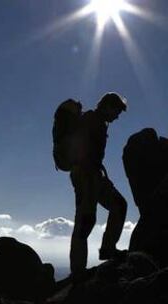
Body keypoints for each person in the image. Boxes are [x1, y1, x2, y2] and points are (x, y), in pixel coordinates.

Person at [69, 92, 128, 277]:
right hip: (86, 177)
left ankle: (108, 249)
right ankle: (78, 271)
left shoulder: (97, 122)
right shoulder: (91, 120)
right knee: (85, 220)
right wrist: (89, 173)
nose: (117, 116)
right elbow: (81, 150)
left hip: (94, 176)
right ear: (108, 106)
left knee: (118, 205)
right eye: (117, 111)